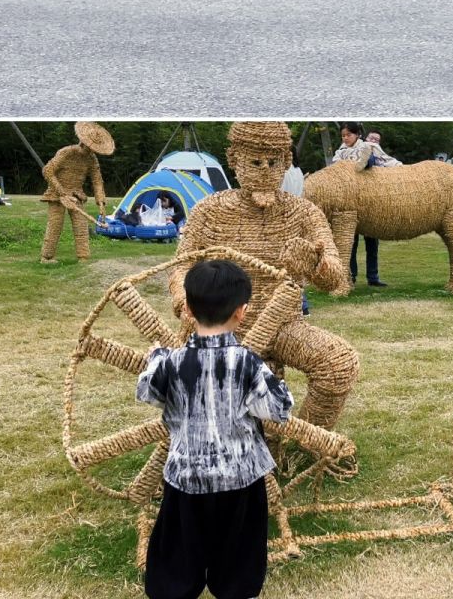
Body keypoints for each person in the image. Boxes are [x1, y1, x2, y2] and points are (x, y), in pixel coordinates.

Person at [172, 123, 358, 429]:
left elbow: (335, 277)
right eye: (255, 162)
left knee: (338, 363)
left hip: (285, 326)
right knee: (248, 413)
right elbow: (181, 266)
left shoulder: (303, 212)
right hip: (223, 326)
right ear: (234, 159)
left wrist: (316, 264)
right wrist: (185, 303)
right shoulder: (209, 211)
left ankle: (304, 436)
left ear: (286, 162)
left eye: (273, 162)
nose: (265, 171)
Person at [138, 259, 293, 599]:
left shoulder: (171, 363)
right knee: (239, 556)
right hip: (241, 480)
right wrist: (272, 380)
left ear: (189, 310)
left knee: (178, 557)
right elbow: (279, 409)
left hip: (186, 478)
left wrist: (156, 357)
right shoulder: (249, 364)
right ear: (241, 312)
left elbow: (148, 391)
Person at [39, 122, 114, 263]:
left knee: (81, 226)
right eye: (88, 148)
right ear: (82, 142)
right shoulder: (67, 152)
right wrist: (61, 192)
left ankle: (83, 256)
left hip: (76, 195)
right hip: (57, 195)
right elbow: (48, 170)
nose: (90, 151)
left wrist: (101, 201)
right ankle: (47, 257)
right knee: (55, 225)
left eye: (93, 150)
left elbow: (97, 180)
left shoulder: (92, 159)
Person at [331, 123, 387, 287]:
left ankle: (373, 277)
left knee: (372, 243)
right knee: (350, 243)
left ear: (357, 135)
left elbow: (373, 162)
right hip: (349, 201)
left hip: (368, 199)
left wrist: (360, 162)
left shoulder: (366, 147)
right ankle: (351, 276)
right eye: (343, 135)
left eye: (348, 135)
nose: (345, 138)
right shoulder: (340, 152)